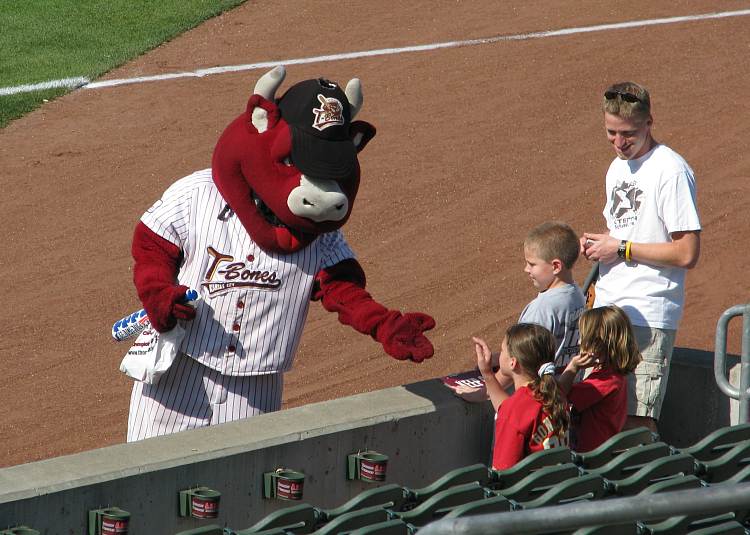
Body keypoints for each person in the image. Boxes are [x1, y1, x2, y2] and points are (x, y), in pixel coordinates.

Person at [581, 81, 701, 434]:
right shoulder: (616, 168)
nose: (619, 143)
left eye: (628, 134)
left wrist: (620, 248)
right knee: (597, 415)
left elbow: (686, 252)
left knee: (635, 423)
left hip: (648, 315)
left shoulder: (671, 171)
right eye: (611, 133)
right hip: (608, 312)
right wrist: (601, 245)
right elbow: (623, 230)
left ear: (649, 123)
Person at [450, 221, 585, 402]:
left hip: (535, 401)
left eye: (532, 264)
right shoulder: (578, 295)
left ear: (556, 266)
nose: (526, 269)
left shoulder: (541, 310)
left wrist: (485, 391)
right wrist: (500, 357)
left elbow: (519, 363)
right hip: (563, 396)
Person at [474, 323, 570, 470]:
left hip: (533, 491)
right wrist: (487, 373)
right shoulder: (555, 392)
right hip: (559, 486)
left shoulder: (514, 410)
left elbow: (503, 474)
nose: (499, 354)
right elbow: (512, 411)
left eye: (502, 350)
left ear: (513, 363)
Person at [557, 306, 642, 452]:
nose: (579, 342)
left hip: (589, 459)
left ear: (598, 343)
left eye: (583, 336)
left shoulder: (603, 382)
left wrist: (573, 366)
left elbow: (557, 395)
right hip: (599, 454)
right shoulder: (612, 375)